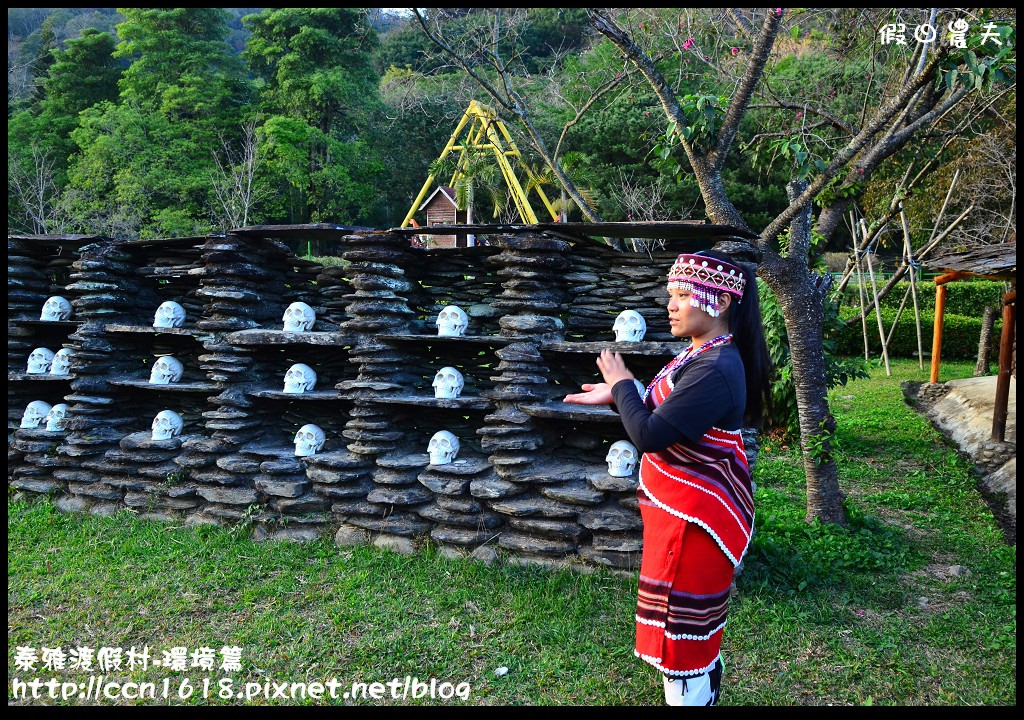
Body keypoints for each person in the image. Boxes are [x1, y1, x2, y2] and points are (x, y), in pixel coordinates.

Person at [564, 249, 770, 706]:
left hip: (693, 525)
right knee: (688, 640)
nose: (670, 305)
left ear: (717, 302)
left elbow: (652, 433)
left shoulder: (715, 368)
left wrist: (621, 384)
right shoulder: (702, 354)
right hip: (681, 518)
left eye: (682, 295)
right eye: (670, 294)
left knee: (681, 648)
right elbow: (667, 411)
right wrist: (625, 395)